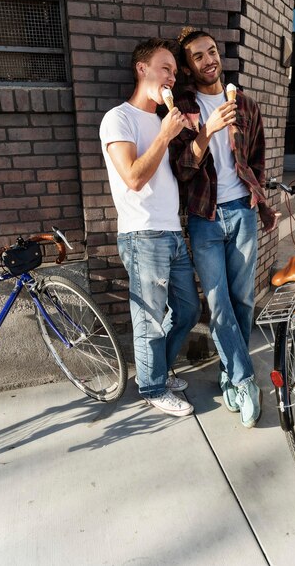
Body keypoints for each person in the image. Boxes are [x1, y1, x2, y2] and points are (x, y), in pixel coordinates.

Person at [169, 27, 279, 428]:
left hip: (243, 213)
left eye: (212, 52)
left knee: (243, 300)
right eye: (198, 56)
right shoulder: (182, 109)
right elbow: (182, 168)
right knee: (217, 303)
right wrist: (208, 129)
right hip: (205, 217)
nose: (209, 60)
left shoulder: (246, 104)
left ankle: (230, 373)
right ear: (188, 66)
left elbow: (260, 155)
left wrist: (257, 191)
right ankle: (246, 381)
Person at [100, 38, 201, 417]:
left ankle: (158, 369)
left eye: (175, 72)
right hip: (143, 235)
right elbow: (133, 178)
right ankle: (153, 387)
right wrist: (164, 135)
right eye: (165, 68)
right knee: (149, 319)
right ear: (142, 69)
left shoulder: (162, 120)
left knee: (188, 311)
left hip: (172, 233)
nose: (171, 77)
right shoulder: (118, 118)